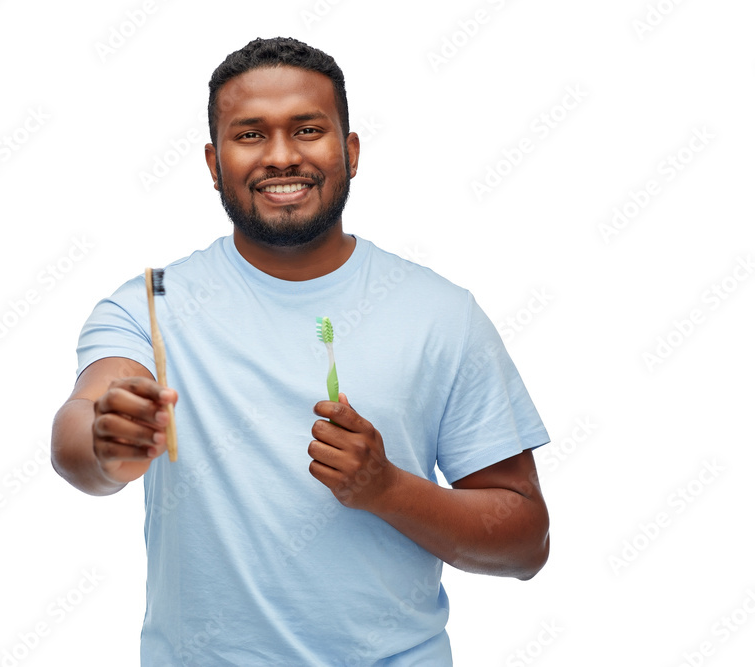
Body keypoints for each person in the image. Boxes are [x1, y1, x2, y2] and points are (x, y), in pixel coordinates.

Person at [52, 36, 550, 666]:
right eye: (251, 134)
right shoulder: (153, 303)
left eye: (307, 129)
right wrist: (106, 439)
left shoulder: (441, 314)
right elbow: (80, 437)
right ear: (213, 162)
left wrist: (387, 488)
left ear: (351, 150)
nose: (282, 156)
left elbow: (525, 542)